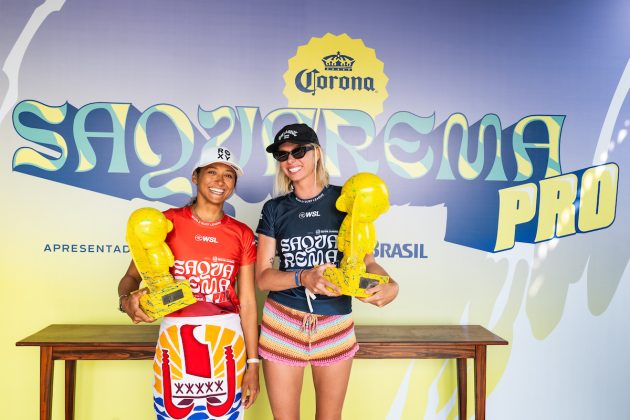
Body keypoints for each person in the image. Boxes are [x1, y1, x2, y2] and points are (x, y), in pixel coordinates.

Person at [256, 123, 399, 419]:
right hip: (283, 321)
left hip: (334, 322)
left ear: (317, 153)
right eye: (283, 155)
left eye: (299, 151)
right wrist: (303, 277)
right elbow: (263, 278)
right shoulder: (275, 209)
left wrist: (390, 284)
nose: (291, 161)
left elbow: (367, 262)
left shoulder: (346, 200)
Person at [117, 146, 260, 420]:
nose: (220, 181)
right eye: (212, 172)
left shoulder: (241, 233)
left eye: (228, 176)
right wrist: (126, 301)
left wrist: (253, 365)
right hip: (175, 335)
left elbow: (249, 302)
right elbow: (131, 278)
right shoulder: (166, 222)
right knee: (174, 413)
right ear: (195, 177)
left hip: (227, 338)